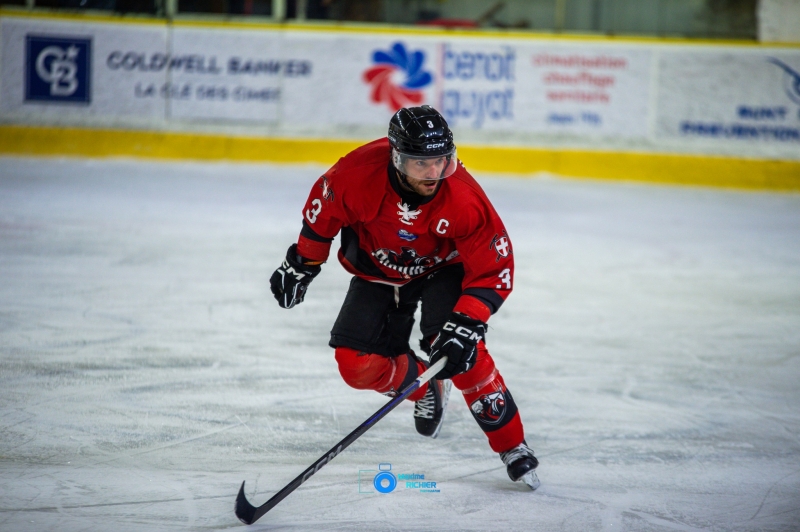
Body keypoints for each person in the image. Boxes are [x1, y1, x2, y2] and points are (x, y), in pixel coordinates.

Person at [269, 105, 539, 489]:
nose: (434, 173)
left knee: (459, 351)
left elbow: (494, 269)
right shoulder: (356, 174)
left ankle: (512, 445)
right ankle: (426, 386)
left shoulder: (463, 198)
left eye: (441, 161)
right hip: (377, 270)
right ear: (397, 159)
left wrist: (467, 321)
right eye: (421, 163)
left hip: (443, 270)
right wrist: (303, 263)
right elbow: (323, 214)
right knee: (354, 364)